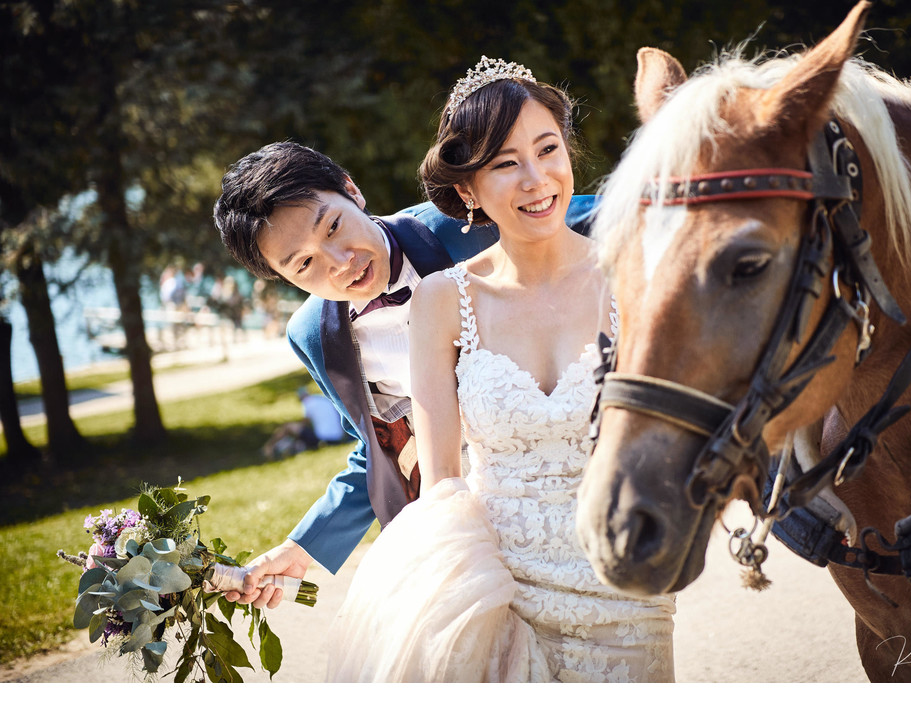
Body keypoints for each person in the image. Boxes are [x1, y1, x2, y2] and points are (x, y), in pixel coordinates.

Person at [326, 57, 675, 682]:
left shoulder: (635, 273)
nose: (536, 179)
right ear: (467, 190)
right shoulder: (441, 300)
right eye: (505, 163)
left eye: (548, 150)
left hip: (626, 588)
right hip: (499, 594)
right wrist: (464, 601)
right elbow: (442, 481)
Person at [213, 142, 596, 608]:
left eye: (333, 227)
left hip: (572, 497)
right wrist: (302, 547)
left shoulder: (468, 225)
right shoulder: (313, 335)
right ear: (281, 277)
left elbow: (595, 214)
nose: (339, 261)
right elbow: (381, 446)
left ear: (353, 191)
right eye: (305, 263)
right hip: (463, 535)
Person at [262, 388, 345, 460]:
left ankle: (269, 447)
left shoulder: (307, 403)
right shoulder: (322, 399)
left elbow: (305, 423)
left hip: (323, 439)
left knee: (289, 427)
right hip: (338, 437)